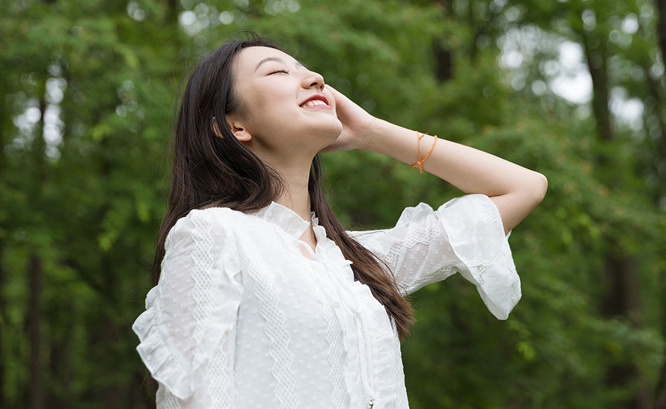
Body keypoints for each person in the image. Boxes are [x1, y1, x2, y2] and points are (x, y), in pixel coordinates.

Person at [132, 35, 547, 409]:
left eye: (307, 69)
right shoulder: (212, 234)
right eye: (278, 71)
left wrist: (372, 132)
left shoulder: (358, 263)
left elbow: (524, 187)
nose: (314, 78)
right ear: (234, 126)